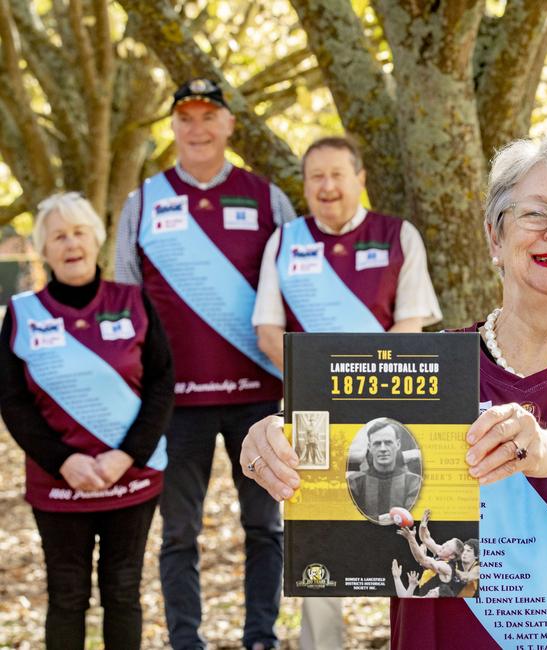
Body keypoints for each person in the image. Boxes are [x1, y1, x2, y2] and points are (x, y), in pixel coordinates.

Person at [240, 131, 547, 649]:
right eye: (535, 213)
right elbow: (320, 438)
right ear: (494, 239)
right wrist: (269, 440)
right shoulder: (420, 368)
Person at [115, 79, 296, 650]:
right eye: (186, 117)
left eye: (209, 116)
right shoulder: (143, 201)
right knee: (179, 535)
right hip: (177, 403)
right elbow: (125, 297)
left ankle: (261, 638)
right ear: (173, 126)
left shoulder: (267, 198)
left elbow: (295, 290)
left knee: (265, 529)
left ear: (228, 125)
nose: (197, 127)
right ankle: (185, 641)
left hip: (258, 398)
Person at [252, 136, 440, 649]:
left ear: (360, 179)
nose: (327, 187)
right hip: (310, 413)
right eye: (316, 177)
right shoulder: (283, 241)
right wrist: (318, 386)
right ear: (305, 186)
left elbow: (412, 323)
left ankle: (407, 640)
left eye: (338, 174)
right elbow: (268, 332)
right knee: (318, 531)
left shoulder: (399, 235)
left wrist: (366, 390)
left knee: (402, 528)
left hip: (391, 410)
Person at [0, 192, 173, 650]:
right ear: (43, 248)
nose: (71, 243)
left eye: (79, 232)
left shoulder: (135, 302)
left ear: (96, 239)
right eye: (58, 236)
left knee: (122, 591)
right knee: (67, 595)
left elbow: (161, 384)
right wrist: (63, 462)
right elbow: (12, 401)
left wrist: (126, 456)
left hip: (131, 478)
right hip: (58, 484)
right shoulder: (22, 314)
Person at [347, 419, 422, 521]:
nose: (383, 448)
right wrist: (380, 519)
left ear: (398, 445)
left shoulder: (414, 482)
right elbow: (349, 519)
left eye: (388, 442)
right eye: (377, 444)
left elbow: (414, 518)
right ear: (369, 447)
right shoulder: (355, 482)